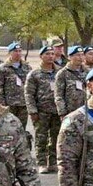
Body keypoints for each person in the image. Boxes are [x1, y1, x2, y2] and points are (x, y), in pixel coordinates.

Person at [25, 46, 61, 174]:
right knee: (41, 138)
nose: (50, 56)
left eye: (52, 54)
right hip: (41, 111)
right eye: (47, 54)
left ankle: (53, 162)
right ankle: (41, 162)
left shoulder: (60, 72)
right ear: (41, 56)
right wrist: (32, 110)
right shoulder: (34, 74)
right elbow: (29, 94)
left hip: (57, 111)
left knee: (56, 137)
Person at [0, 43, 31, 142]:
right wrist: (1, 105)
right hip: (9, 104)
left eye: (20, 51)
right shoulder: (2, 68)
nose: (18, 53)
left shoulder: (27, 67)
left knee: (21, 128)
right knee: (8, 129)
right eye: (15, 51)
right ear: (10, 53)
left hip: (23, 104)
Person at [54, 46, 89, 120]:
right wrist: (62, 113)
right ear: (70, 57)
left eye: (82, 55)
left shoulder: (88, 71)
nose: (80, 57)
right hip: (70, 112)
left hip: (87, 110)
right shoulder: (62, 73)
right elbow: (58, 95)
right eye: (77, 55)